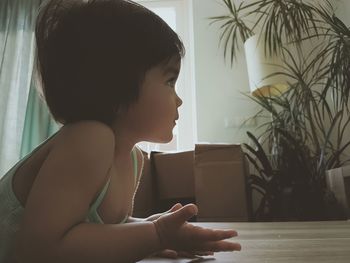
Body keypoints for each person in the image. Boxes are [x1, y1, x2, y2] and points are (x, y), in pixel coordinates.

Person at [0, 0, 241, 262]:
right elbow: (38, 251)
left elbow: (102, 230)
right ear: (116, 85)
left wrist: (150, 229)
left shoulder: (134, 158)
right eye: (170, 80)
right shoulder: (89, 139)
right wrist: (156, 235)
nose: (179, 99)